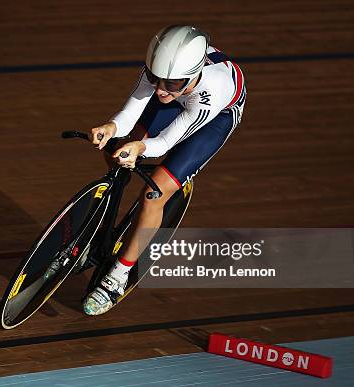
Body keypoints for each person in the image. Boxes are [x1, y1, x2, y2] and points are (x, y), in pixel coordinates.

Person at [83, 25, 246, 315]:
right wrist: (111, 127)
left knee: (154, 193)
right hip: (184, 98)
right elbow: (131, 113)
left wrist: (141, 148)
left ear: (193, 75)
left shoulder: (213, 91)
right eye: (157, 80)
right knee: (119, 149)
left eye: (171, 83)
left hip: (215, 115)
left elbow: (167, 142)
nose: (160, 89)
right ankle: (104, 223)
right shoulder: (161, 73)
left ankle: (119, 274)